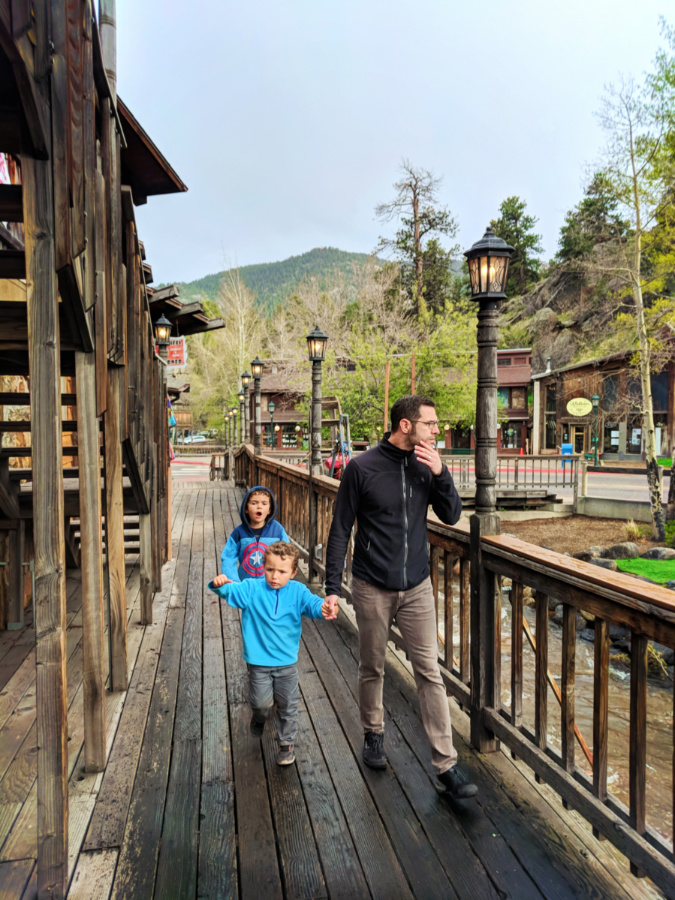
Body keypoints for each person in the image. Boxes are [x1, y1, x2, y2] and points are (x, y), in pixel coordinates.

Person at [324, 395, 477, 799]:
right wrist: (331, 587)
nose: (437, 430)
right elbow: (340, 529)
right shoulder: (361, 468)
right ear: (406, 425)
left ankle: (446, 765)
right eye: (430, 423)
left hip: (417, 587)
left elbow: (452, 515)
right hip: (372, 585)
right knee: (372, 665)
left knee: (429, 671)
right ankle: (373, 734)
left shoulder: (428, 466)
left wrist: (442, 473)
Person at [209, 541, 337, 764]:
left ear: (294, 572)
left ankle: (286, 745)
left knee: (288, 703)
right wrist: (220, 585)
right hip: (258, 662)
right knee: (261, 703)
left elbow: (312, 604)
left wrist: (323, 608)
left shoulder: (298, 591)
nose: (274, 576)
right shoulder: (252, 588)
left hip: (287, 663)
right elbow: (232, 591)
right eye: (269, 570)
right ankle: (259, 717)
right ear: (263, 568)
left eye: (281, 571)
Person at [221, 486, 289, 581]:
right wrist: (233, 581)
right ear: (246, 509)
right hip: (245, 586)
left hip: (270, 585)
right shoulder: (239, 532)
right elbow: (228, 557)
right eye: (254, 503)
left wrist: (283, 579)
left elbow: (288, 555)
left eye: (264, 503)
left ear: (269, 510)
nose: (259, 506)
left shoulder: (277, 530)